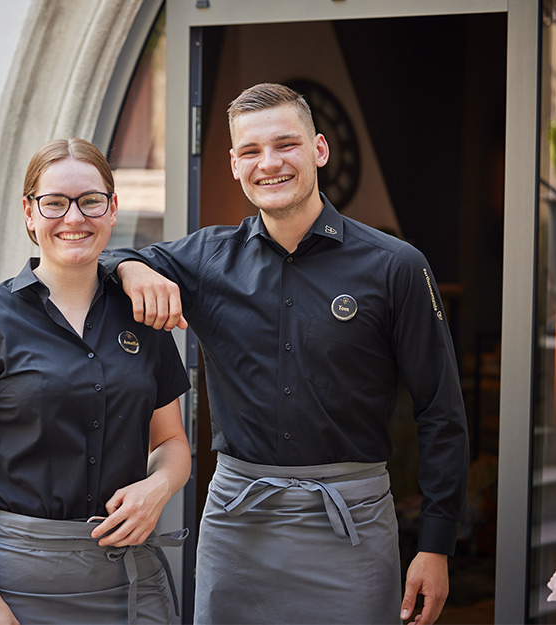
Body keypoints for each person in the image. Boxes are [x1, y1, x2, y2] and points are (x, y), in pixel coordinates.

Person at [103, 83, 469, 625]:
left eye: (285, 145)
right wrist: (131, 268)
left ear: (319, 150)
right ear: (233, 164)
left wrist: (436, 545)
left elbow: (441, 411)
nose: (268, 163)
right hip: (237, 524)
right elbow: (106, 254)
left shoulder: (395, 266)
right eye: (250, 151)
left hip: (352, 524)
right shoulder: (206, 258)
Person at [0, 137, 192, 625]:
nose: (74, 218)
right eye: (54, 203)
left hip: (128, 579)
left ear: (112, 210)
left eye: (90, 201)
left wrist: (159, 487)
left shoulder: (141, 318)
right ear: (29, 212)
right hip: (17, 583)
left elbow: (172, 441)